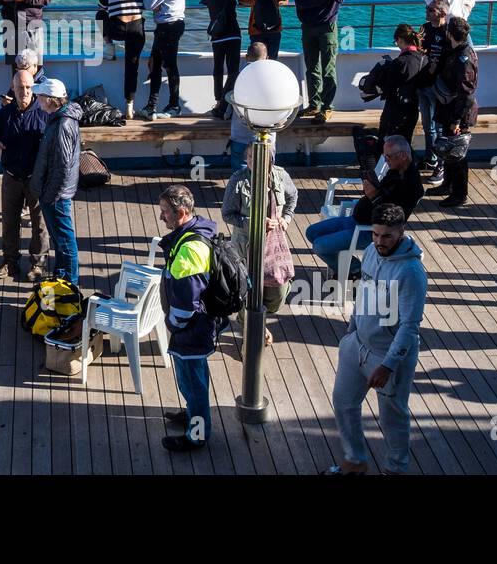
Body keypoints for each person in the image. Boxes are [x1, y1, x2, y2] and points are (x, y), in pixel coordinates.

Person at [325, 203, 426, 475]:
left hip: (387, 357)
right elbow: (362, 295)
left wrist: (388, 365)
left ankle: (396, 470)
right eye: (376, 235)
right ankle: (355, 461)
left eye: (387, 237)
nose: (380, 242)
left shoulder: (411, 273)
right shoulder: (370, 252)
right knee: (344, 403)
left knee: (393, 417)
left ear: (402, 232)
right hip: (357, 344)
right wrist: (351, 331)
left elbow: (410, 326)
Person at [155, 184, 222, 453]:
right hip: (198, 325)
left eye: (164, 212)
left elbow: (186, 300)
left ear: (181, 212)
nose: (161, 217)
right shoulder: (196, 231)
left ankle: (197, 436)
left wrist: (174, 324)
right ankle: (193, 413)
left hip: (192, 328)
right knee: (194, 378)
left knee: (193, 382)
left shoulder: (189, 251)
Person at [305, 135, 422, 276]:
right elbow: (383, 195)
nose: (385, 160)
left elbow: (391, 218)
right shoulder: (395, 171)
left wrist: (374, 196)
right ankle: (344, 266)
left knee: (320, 246)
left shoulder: (412, 186)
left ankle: (356, 270)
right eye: (384, 156)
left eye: (388, 157)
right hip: (355, 220)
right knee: (312, 232)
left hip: (369, 231)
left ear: (403, 155)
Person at [0, 69, 50, 279]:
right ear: (12, 89)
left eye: (28, 87)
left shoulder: (43, 114)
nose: (24, 91)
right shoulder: (3, 115)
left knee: (39, 223)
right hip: (12, 176)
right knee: (9, 222)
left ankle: (37, 264)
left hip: (35, 178)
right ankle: (10, 261)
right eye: (20, 87)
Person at [222, 157, 297, 336]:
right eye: (249, 157)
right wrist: (255, 223)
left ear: (269, 160)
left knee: (278, 294)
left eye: (256, 157)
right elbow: (227, 214)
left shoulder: (280, 175)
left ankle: (255, 321)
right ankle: (251, 334)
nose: (252, 161)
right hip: (245, 246)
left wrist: (286, 219)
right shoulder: (238, 180)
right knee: (247, 292)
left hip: (274, 247)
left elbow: (292, 196)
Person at [30, 79, 82, 284]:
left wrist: (50, 195)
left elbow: (62, 166)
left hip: (56, 195)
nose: (37, 99)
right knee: (60, 241)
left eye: (40, 96)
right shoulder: (59, 119)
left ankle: (70, 285)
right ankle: (62, 279)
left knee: (65, 242)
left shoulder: (63, 124)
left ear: (50, 100)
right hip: (55, 192)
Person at [425, 16, 478, 208]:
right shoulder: (454, 52)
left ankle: (459, 193)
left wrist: (456, 120)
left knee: (458, 154)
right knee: (449, 150)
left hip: (458, 113)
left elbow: (467, 94)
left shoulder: (464, 59)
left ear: (449, 33)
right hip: (449, 109)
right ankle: (447, 185)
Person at [292, 0, 347, 123]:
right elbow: (301, 2)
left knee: (328, 68)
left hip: (328, 26)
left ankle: (327, 106)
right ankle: (314, 104)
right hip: (308, 26)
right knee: (312, 67)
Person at [97, 0, 149, 119]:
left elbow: (101, 4)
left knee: (99, 16)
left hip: (117, 30)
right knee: (131, 68)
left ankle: (109, 45)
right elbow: (146, 4)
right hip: (136, 29)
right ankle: (129, 105)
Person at [140, 0, 186, 120]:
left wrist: (155, 5)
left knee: (170, 65)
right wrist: (156, 5)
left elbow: (148, 3)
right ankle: (151, 106)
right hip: (167, 25)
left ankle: (174, 106)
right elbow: (154, 3)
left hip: (170, 26)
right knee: (155, 64)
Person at [359, 24, 427, 142]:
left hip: (395, 111)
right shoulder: (424, 59)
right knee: (405, 145)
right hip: (412, 111)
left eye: (396, 42)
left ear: (400, 39)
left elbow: (387, 87)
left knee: (386, 145)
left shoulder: (399, 62)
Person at [416, 0, 452, 178]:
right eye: (427, 8)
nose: (427, 11)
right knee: (427, 126)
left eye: (431, 10)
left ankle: (441, 164)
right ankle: (431, 158)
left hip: (438, 87)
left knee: (439, 128)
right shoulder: (425, 28)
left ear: (443, 14)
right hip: (423, 83)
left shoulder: (448, 32)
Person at [201, 0, 242, 119]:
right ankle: (225, 104)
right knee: (233, 72)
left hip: (217, 38)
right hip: (234, 36)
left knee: (218, 69)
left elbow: (203, 2)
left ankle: (219, 102)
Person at [225, 42, 269, 171]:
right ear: (267, 58)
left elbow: (230, 99)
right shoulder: (272, 75)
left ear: (246, 56)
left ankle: (240, 191)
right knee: (265, 169)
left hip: (240, 134)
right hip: (265, 135)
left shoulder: (239, 75)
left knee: (240, 172)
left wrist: (226, 114)